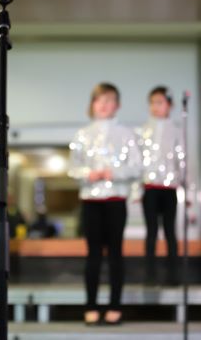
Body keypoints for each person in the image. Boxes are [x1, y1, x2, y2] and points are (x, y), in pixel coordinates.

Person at [68, 83, 142, 326]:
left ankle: (115, 306)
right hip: (90, 200)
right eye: (99, 100)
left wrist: (114, 172)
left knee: (115, 254)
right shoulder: (82, 134)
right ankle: (90, 306)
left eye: (109, 100)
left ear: (117, 105)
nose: (104, 105)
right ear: (92, 104)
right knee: (93, 255)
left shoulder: (127, 134)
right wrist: (88, 173)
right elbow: (72, 167)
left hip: (116, 200)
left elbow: (136, 166)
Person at [137, 86, 184, 286]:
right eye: (153, 103)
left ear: (169, 105)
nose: (156, 107)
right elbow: (137, 161)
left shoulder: (176, 130)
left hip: (170, 188)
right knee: (151, 232)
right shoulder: (142, 131)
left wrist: (185, 188)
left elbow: (182, 161)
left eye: (160, 102)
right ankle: (150, 275)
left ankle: (173, 275)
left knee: (170, 232)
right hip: (149, 188)